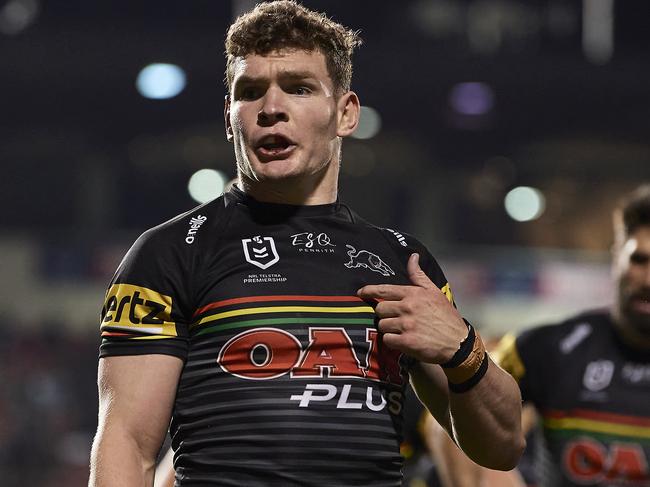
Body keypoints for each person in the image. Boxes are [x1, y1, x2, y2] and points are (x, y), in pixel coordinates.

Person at [87, 2, 524, 486]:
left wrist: (462, 348)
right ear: (231, 118)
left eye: (298, 88)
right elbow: (126, 443)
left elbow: (502, 448)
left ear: (345, 113)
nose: (272, 109)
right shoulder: (169, 253)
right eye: (250, 92)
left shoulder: (404, 262)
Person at [429, 184, 650, 486]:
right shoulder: (550, 348)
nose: (649, 280)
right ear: (616, 258)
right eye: (639, 260)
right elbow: (446, 417)